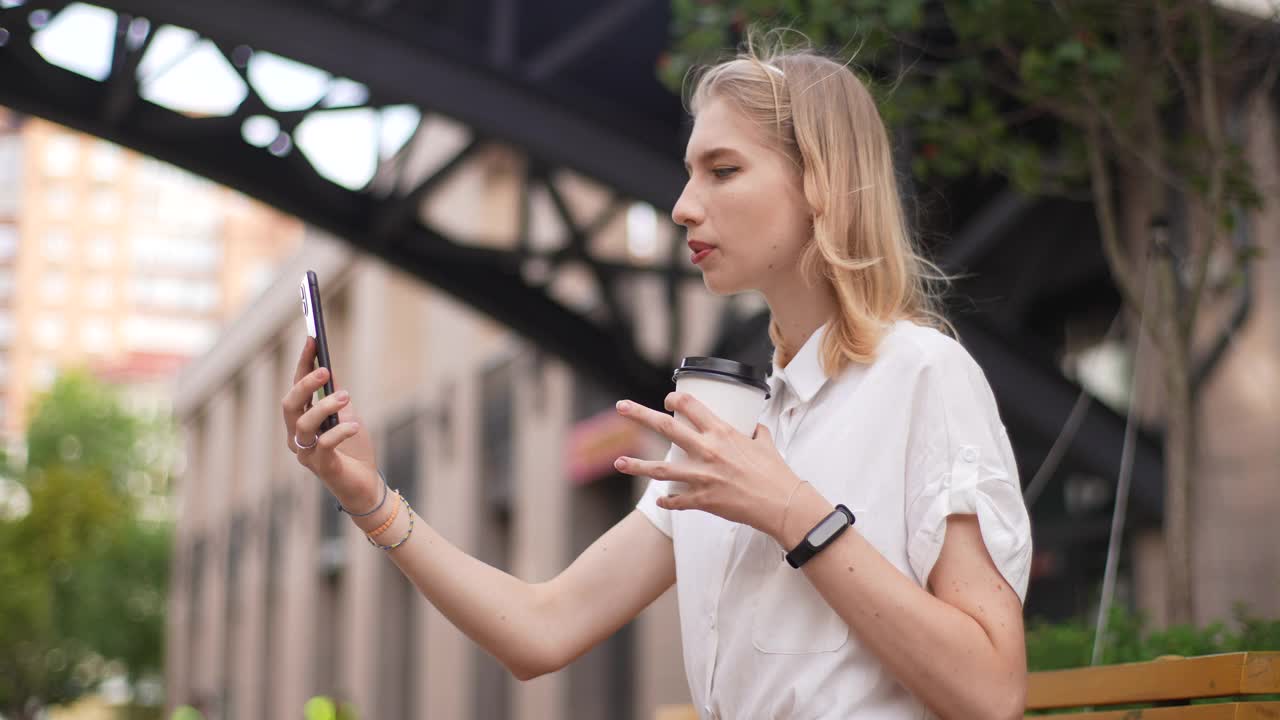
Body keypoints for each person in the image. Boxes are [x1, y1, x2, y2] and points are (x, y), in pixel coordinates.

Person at [281, 31, 1031, 720]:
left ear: (822, 184)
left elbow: (991, 691)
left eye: (724, 171)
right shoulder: (729, 423)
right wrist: (368, 499)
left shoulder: (923, 375)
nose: (681, 207)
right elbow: (542, 631)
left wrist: (793, 512)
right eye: (688, 174)